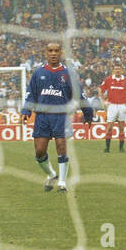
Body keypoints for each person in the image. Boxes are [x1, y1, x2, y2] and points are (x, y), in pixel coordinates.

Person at [21, 41, 78, 192]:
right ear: (46, 53)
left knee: (61, 146)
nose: (53, 53)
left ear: (61, 53)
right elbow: (30, 93)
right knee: (39, 152)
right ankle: (52, 174)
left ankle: (62, 183)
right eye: (50, 51)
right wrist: (26, 111)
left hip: (61, 116)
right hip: (42, 117)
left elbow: (79, 94)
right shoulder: (39, 73)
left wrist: (87, 113)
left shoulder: (68, 73)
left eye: (56, 50)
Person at [100, 62, 126, 153]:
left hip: (122, 106)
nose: (117, 71)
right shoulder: (108, 79)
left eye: (119, 69)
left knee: (121, 128)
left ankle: (121, 148)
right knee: (109, 127)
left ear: (121, 70)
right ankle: (107, 148)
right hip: (112, 105)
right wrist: (103, 100)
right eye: (116, 69)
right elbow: (100, 89)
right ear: (113, 70)